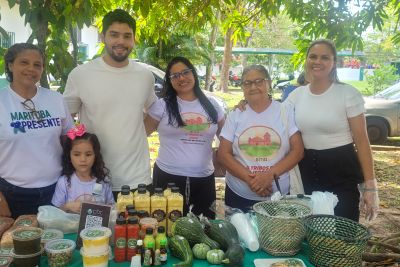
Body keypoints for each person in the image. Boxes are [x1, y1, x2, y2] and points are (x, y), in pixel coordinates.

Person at [63, 9, 157, 197]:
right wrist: (81, 149)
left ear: (134, 39)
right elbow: (65, 120)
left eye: (127, 36)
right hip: (93, 178)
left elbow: (154, 112)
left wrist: (134, 135)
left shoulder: (145, 76)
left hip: (137, 178)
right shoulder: (81, 74)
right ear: (103, 36)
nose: (121, 41)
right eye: (114, 35)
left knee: (135, 227)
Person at [286, 39, 379, 221]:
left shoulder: (348, 94)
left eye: (324, 57)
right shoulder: (296, 96)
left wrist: (370, 186)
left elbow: (361, 140)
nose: (317, 61)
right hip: (306, 172)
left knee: (341, 233)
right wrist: (246, 105)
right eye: (313, 56)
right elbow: (274, 118)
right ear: (306, 60)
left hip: (341, 171)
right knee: (312, 232)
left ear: (334, 63)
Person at [144, 56, 225, 218]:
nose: (181, 78)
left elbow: (227, 140)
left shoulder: (213, 105)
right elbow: (140, 134)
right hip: (167, 177)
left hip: (204, 179)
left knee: (205, 229)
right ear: (170, 81)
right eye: (174, 76)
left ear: (193, 74)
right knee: (166, 227)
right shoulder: (162, 106)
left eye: (185, 72)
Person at [0, 43, 74, 218]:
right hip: (13, 194)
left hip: (57, 190)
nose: (31, 69)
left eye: (37, 65)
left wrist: (86, 137)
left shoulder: (55, 99)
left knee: (58, 243)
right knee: (21, 245)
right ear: (10, 65)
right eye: (24, 62)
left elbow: (70, 137)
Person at [218, 65, 304, 212]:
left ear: (268, 83)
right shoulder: (235, 115)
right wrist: (253, 181)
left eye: (258, 81)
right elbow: (223, 154)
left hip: (278, 195)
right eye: (247, 83)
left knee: (277, 235)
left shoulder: (284, 111)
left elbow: (298, 151)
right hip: (239, 195)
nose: (253, 87)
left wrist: (269, 176)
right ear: (243, 87)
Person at [52, 124, 114, 213]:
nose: (83, 159)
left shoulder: (103, 181)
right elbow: (55, 211)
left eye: (88, 154)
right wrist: (68, 206)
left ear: (95, 156)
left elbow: (111, 208)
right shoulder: (64, 182)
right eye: (77, 154)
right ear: (69, 156)